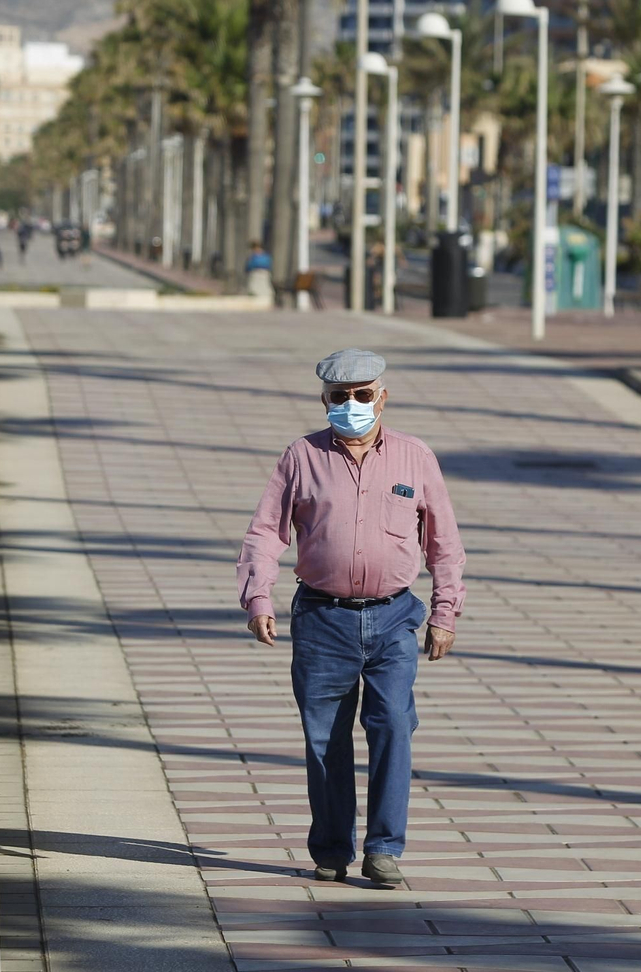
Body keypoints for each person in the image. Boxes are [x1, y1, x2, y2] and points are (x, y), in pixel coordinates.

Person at [237, 349, 465, 888]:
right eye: (340, 397)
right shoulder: (301, 457)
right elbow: (266, 533)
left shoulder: (415, 457)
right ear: (324, 401)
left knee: (392, 729)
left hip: (393, 619)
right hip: (322, 620)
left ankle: (384, 849)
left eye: (363, 395)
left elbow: (444, 544)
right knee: (325, 739)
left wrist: (445, 611)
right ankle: (333, 847)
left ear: (382, 398)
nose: (352, 405)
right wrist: (257, 599)